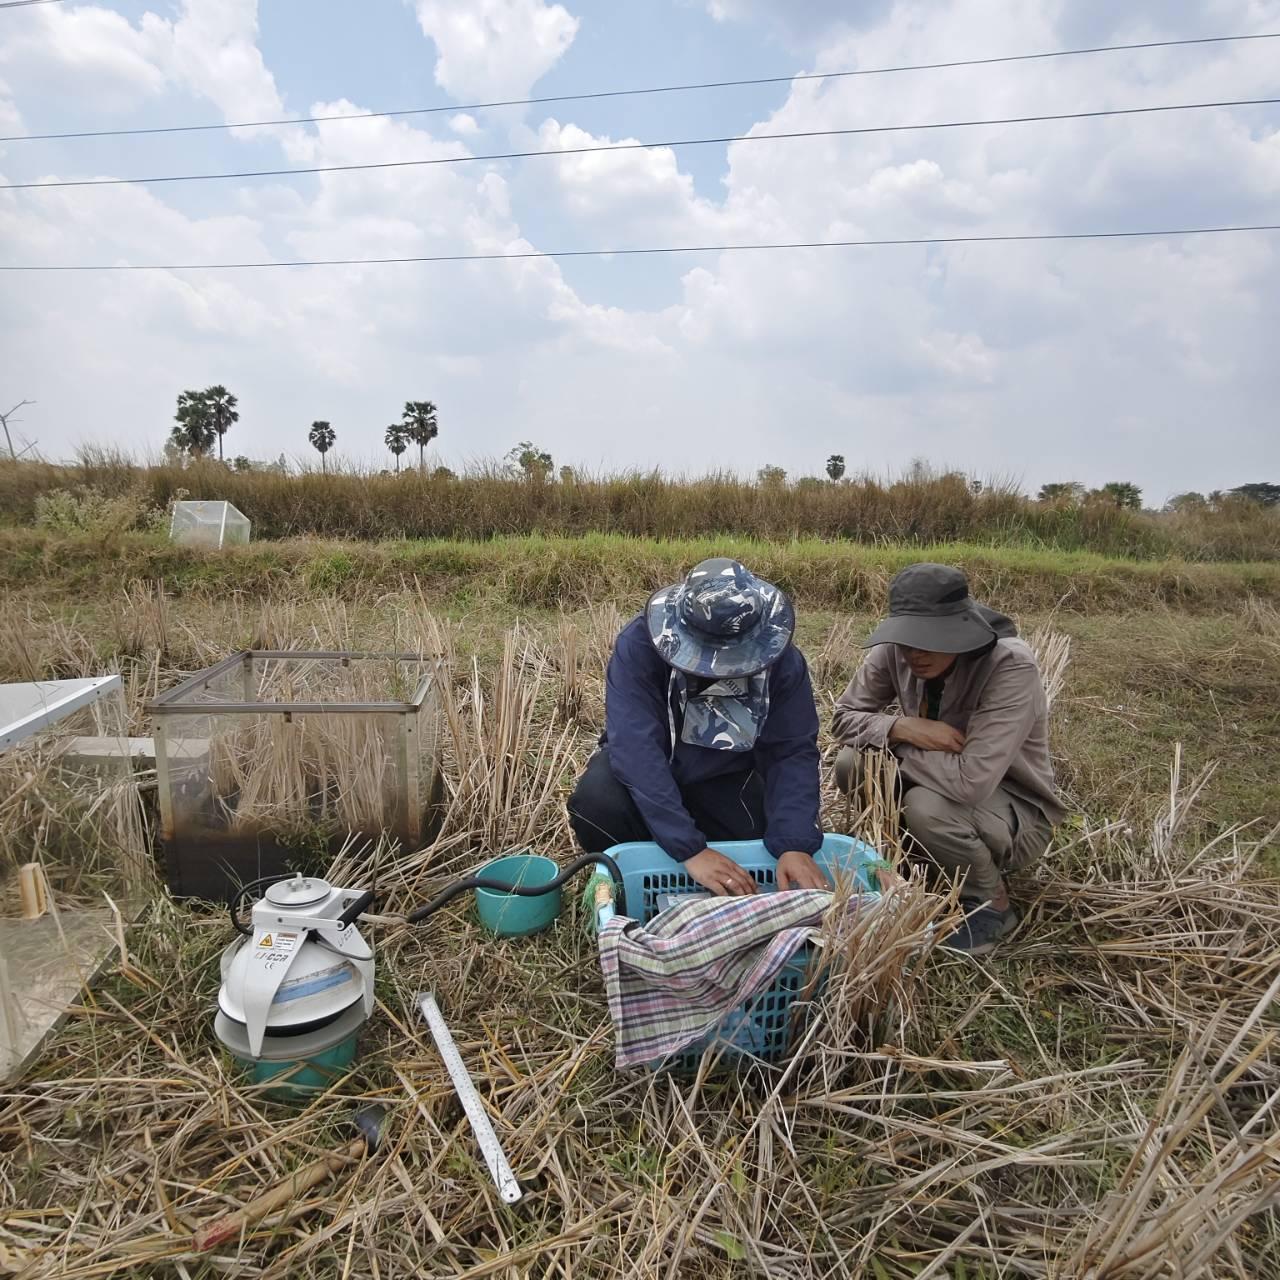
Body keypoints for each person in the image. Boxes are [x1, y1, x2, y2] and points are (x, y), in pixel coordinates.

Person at [832, 563, 1065, 954]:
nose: (915, 654)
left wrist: (897, 743)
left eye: (929, 640)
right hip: (937, 778)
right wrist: (903, 728)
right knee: (851, 763)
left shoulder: (1010, 665)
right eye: (907, 640)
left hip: (1007, 807)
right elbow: (843, 718)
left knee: (926, 806)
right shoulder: (896, 651)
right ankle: (910, 862)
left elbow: (970, 781)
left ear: (959, 631)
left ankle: (991, 904)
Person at [568, 558, 827, 896]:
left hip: (728, 779)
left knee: (768, 843)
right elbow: (635, 749)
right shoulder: (640, 646)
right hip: (657, 773)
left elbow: (792, 751)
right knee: (596, 802)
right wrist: (689, 849)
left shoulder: (783, 663)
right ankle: (629, 883)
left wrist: (795, 842)